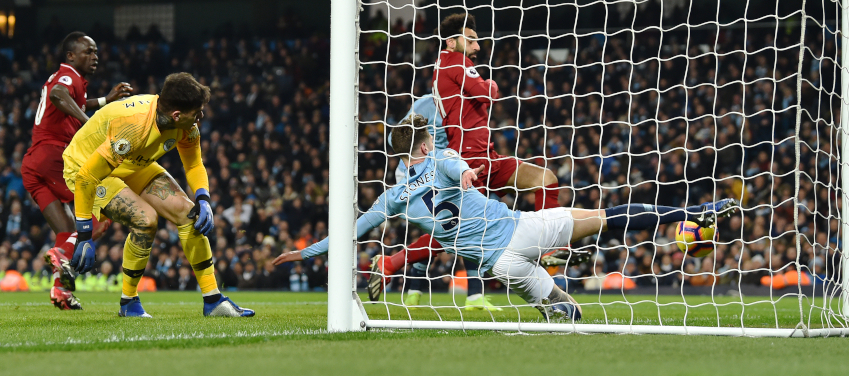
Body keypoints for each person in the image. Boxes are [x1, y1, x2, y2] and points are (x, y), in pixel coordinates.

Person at [274, 115, 737, 320]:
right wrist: (470, 172)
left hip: (500, 267)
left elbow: (346, 235)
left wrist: (299, 254)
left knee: (566, 311)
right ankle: (696, 211)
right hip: (522, 230)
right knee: (606, 216)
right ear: (421, 147)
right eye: (429, 140)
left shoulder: (391, 198)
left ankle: (563, 305)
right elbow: (458, 168)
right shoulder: (443, 160)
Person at [372, 13, 564, 301]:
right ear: (452, 41)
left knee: (545, 179)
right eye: (470, 39)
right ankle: (394, 264)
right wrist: (493, 85)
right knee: (461, 231)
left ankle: (545, 252)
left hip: (488, 156)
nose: (477, 45)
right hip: (468, 163)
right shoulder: (456, 62)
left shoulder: (447, 68)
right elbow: (486, 93)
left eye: (477, 39)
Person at [62, 72, 254, 318]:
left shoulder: (186, 126)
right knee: (146, 219)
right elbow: (87, 177)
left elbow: (194, 165)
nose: (200, 117)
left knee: (188, 214)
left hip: (130, 162)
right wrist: (85, 234)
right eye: (196, 113)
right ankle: (128, 302)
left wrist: (203, 198)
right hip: (85, 167)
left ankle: (213, 301)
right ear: (176, 115)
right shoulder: (133, 126)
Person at [21, 31, 132, 310]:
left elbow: (74, 102)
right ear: (71, 55)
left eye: (95, 52)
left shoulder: (71, 79)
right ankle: (61, 255)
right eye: (88, 51)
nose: (94, 57)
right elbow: (60, 95)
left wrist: (105, 101)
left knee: (68, 230)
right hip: (54, 155)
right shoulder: (67, 76)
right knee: (99, 216)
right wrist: (89, 124)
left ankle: (62, 293)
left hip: (34, 164)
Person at [383, 93, 501, 311]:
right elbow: (394, 139)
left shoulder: (464, 105)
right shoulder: (426, 104)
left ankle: (417, 290)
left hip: (445, 170)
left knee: (459, 225)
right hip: (415, 175)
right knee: (453, 227)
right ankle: (469, 294)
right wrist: (424, 148)